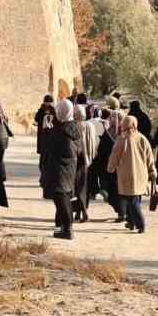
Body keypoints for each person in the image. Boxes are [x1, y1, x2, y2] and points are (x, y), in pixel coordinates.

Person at [107, 113, 156, 234]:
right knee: (135, 199)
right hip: (141, 175)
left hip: (127, 177)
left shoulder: (121, 140)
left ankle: (141, 223)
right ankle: (132, 221)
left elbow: (114, 157)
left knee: (132, 201)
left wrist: (110, 168)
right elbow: (150, 156)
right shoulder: (142, 138)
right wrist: (152, 170)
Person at [39, 98, 80, 239]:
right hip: (69, 168)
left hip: (60, 169)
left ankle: (67, 229)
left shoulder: (60, 131)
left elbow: (48, 147)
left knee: (61, 198)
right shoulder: (73, 127)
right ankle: (66, 227)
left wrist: (48, 131)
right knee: (64, 198)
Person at [92, 112, 122, 222]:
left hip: (119, 169)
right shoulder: (108, 132)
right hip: (107, 167)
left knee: (118, 192)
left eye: (115, 117)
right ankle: (121, 212)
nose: (112, 119)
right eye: (111, 117)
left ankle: (122, 213)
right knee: (112, 193)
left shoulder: (123, 133)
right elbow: (102, 150)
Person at [71, 104, 95, 223]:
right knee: (83, 187)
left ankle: (83, 213)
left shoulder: (75, 126)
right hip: (88, 161)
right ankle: (79, 213)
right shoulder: (90, 125)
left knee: (78, 188)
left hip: (78, 161)